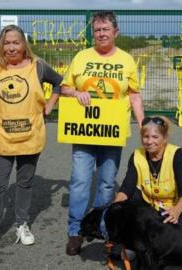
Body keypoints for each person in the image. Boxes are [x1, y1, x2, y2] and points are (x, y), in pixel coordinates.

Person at [0, 25, 62, 254]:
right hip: (0, 137)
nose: (11, 47)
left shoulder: (37, 67)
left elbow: (60, 82)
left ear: (23, 44)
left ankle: (22, 224)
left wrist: (50, 105)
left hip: (30, 137)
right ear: (2, 45)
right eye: (7, 42)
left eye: (15, 42)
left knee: (25, 183)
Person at [60, 11, 144, 256]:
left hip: (112, 133)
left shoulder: (127, 60)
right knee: (80, 182)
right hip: (84, 131)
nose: (101, 34)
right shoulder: (81, 57)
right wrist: (76, 94)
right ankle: (75, 231)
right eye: (97, 30)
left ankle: (99, 226)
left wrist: (143, 124)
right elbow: (65, 87)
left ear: (115, 32)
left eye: (105, 29)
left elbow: (134, 95)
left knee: (107, 185)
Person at [114, 116, 182, 225]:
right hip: (147, 204)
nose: (149, 141)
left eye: (155, 137)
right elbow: (127, 187)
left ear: (164, 138)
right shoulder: (137, 155)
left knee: (166, 235)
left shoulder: (176, 154)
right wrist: (115, 208)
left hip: (172, 205)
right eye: (146, 136)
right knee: (129, 201)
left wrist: (176, 210)